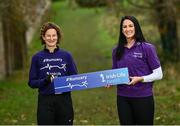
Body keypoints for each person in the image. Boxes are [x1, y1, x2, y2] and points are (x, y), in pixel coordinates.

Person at [112, 16, 163, 125]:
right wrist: (109, 81)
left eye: (130, 26)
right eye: (124, 27)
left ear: (136, 28)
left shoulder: (147, 48)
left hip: (143, 97)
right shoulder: (117, 51)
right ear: (122, 30)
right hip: (123, 98)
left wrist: (141, 78)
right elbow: (114, 74)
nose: (127, 29)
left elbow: (159, 74)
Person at [28, 22, 77, 125]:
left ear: (58, 37)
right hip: (45, 101)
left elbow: (75, 78)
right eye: (48, 36)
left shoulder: (67, 56)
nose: (51, 38)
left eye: (54, 35)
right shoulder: (37, 58)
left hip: (64, 101)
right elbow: (31, 82)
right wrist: (45, 81)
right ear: (43, 37)